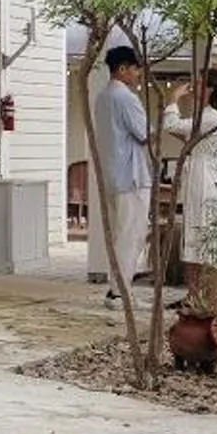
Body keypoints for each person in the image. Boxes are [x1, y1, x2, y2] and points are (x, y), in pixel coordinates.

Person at [163, 74, 217, 309]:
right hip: (201, 181)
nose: (194, 87)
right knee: (195, 240)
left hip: (204, 184)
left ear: (211, 90)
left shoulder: (210, 117)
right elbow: (184, 133)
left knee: (205, 242)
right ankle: (195, 297)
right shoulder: (204, 118)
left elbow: (172, 125)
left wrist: (173, 98)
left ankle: (210, 299)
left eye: (200, 83)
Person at [93, 44, 154, 300]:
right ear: (122, 69)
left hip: (112, 174)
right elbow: (144, 134)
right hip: (132, 176)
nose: (138, 74)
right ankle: (120, 292)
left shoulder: (102, 97)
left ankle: (117, 288)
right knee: (132, 234)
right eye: (135, 69)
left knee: (121, 233)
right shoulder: (126, 98)